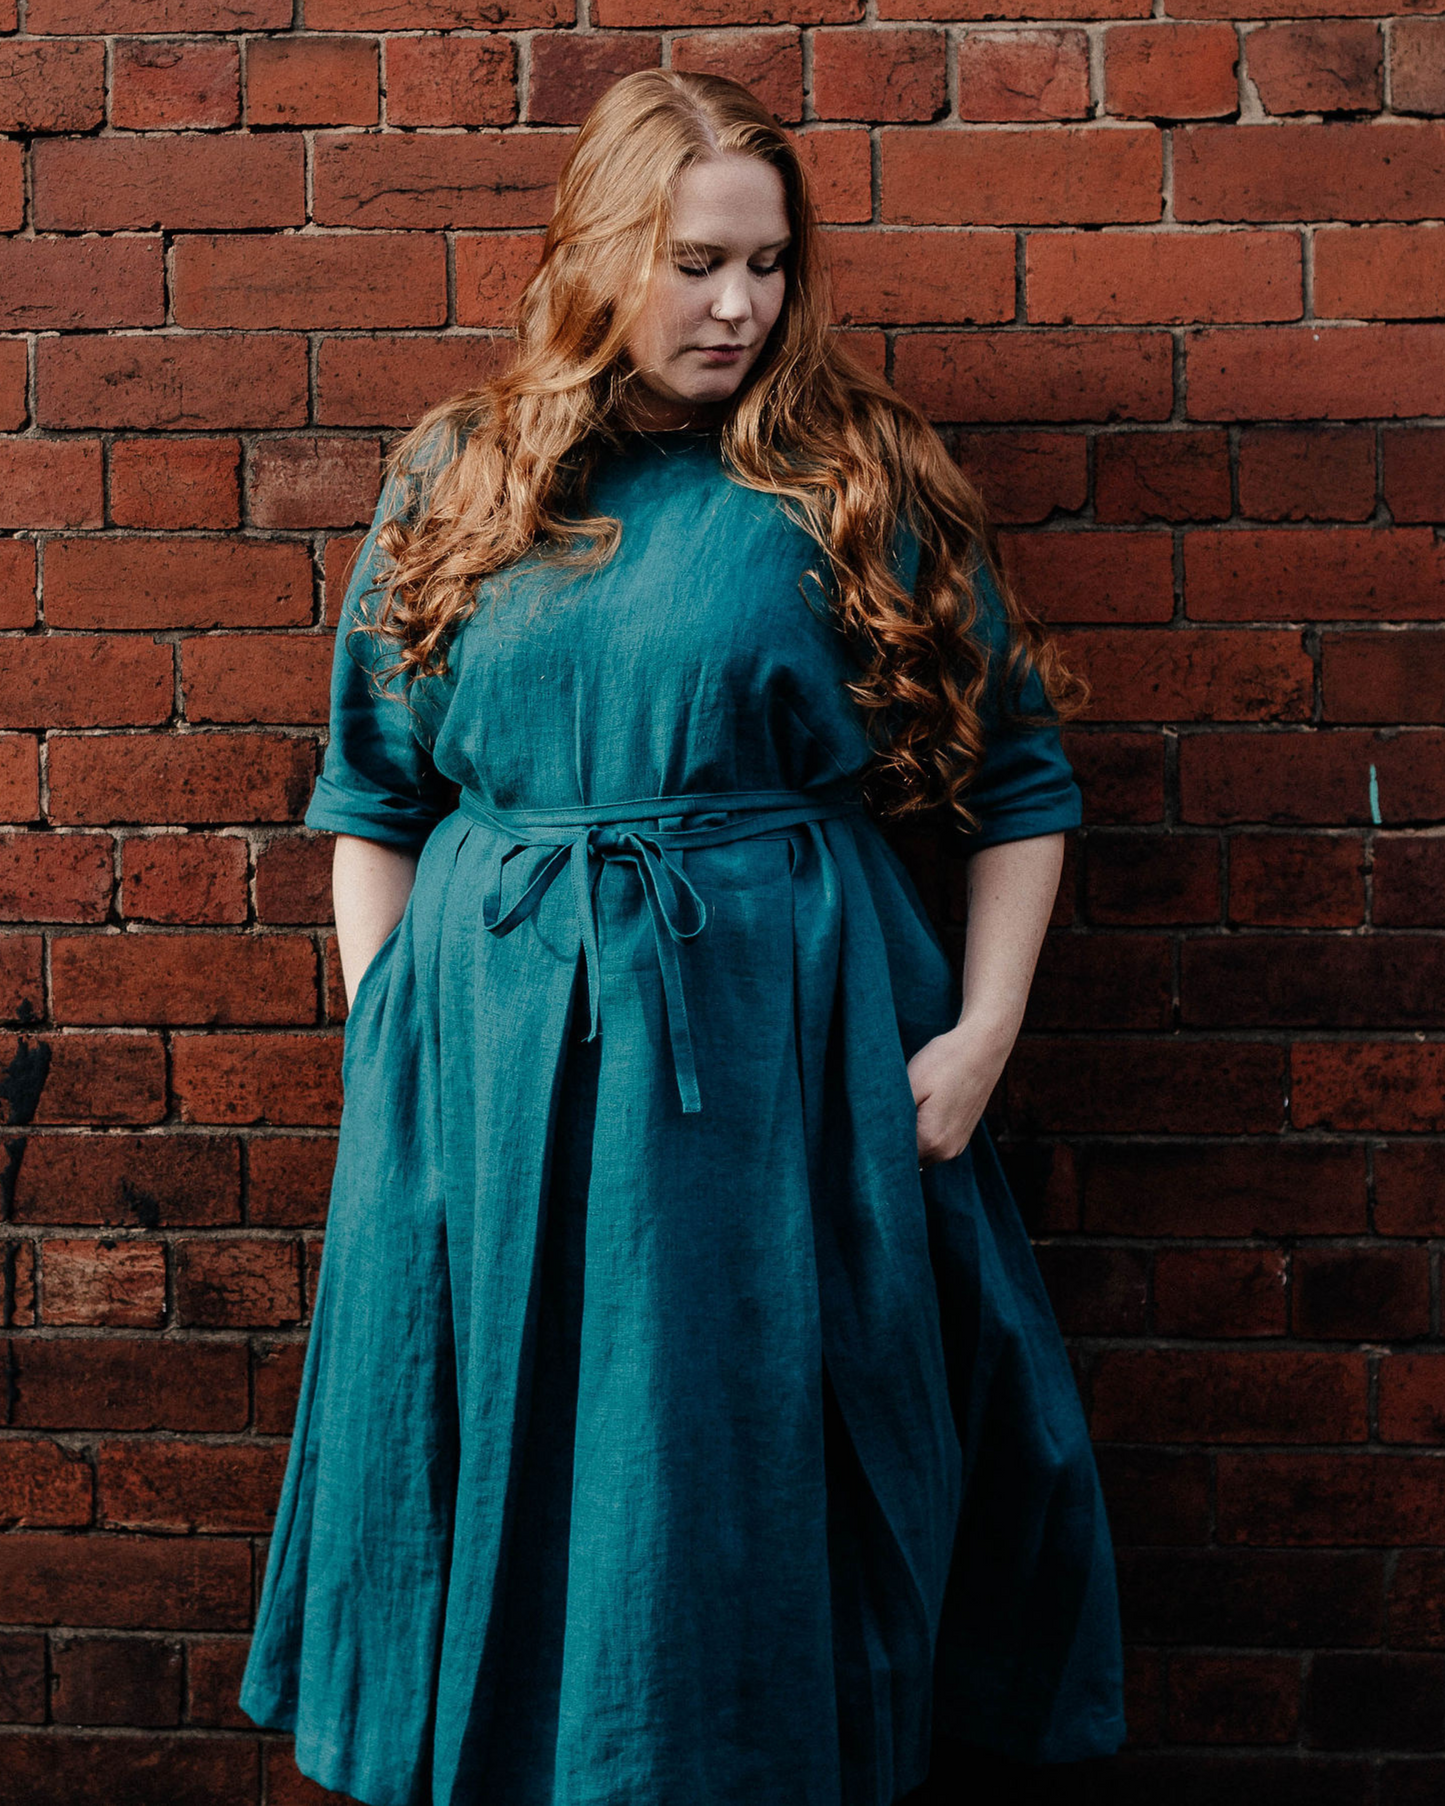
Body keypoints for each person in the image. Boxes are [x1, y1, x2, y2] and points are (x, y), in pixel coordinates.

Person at [237, 67, 1126, 1806]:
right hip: (486, 1089)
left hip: (777, 1082)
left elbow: (1020, 782)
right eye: (698, 262)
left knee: (727, 1484)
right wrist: (393, 1041)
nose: (740, 307)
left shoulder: (854, 474)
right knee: (496, 1460)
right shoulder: (463, 471)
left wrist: (978, 1047)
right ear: (599, 250)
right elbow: (373, 791)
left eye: (770, 265)